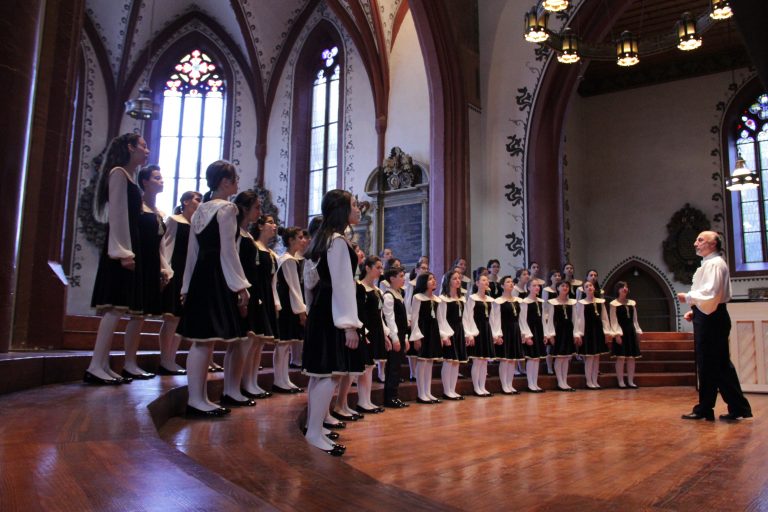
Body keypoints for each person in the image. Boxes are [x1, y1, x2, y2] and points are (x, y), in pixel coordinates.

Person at [178, 160, 252, 417]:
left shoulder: (200, 210)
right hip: (216, 276)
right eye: (234, 178)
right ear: (224, 182)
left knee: (202, 341)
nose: (237, 183)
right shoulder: (228, 209)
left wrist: (186, 285)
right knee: (203, 342)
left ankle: (198, 398)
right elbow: (228, 251)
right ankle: (196, 400)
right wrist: (240, 286)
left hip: (200, 274)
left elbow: (193, 252)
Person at [302, 189, 363, 456]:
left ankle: (315, 429)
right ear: (341, 210)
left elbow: (312, 282)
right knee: (328, 373)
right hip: (332, 312)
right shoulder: (337, 242)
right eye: (353, 205)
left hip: (322, 309)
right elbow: (342, 285)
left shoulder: (323, 238)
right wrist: (350, 324)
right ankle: (314, 432)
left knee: (320, 375)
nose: (358, 209)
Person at [86, 133, 150, 385]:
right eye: (143, 146)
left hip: (125, 249)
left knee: (119, 309)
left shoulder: (129, 177)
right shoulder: (118, 174)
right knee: (113, 310)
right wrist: (123, 252)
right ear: (130, 147)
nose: (147, 151)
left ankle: (102, 364)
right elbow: (118, 217)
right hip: (118, 251)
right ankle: (95, 365)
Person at [678, 231, 753, 422]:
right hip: (710, 316)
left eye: (700, 240)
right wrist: (695, 311)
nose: (695, 243)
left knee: (713, 365)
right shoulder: (710, 263)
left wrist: (688, 298)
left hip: (712, 319)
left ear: (713, 244)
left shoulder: (715, 264)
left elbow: (712, 294)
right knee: (716, 365)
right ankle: (732, 407)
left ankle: (711, 408)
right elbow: (712, 296)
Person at [158, 190, 202, 375]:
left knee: (180, 318)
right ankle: (165, 359)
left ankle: (171, 358)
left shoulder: (197, 225)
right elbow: (165, 246)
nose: (200, 202)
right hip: (175, 270)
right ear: (185, 201)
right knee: (171, 317)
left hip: (188, 273)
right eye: (196, 199)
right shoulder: (175, 220)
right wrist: (165, 269)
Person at [233, 191, 272, 401]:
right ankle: (234, 387)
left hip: (253, 291)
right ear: (245, 208)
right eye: (256, 207)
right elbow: (236, 263)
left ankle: (249, 381)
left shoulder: (246, 235)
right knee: (242, 343)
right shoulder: (237, 233)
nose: (259, 211)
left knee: (254, 341)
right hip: (242, 290)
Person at [274, 226, 306, 393]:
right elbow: (294, 288)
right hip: (287, 305)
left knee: (285, 345)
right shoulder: (288, 260)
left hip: (289, 304)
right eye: (300, 237)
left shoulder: (288, 258)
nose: (303, 240)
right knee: (283, 344)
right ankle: (279, 380)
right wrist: (301, 311)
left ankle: (284, 378)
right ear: (291, 240)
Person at [409, 272, 446, 404]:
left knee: (429, 362)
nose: (433, 281)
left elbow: (440, 319)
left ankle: (428, 392)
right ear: (423, 282)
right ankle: (421, 393)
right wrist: (416, 337)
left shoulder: (437, 299)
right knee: (422, 361)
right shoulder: (418, 297)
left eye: (434, 279)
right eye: (430, 279)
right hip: (422, 331)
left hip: (433, 331)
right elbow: (414, 318)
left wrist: (442, 336)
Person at [464, 272, 500, 397]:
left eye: (487, 280)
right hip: (476, 329)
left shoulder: (490, 300)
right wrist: (469, 333)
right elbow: (468, 316)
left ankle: (483, 386)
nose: (486, 282)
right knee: (477, 361)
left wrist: (495, 334)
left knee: (484, 361)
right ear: (477, 283)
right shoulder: (472, 298)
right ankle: (476, 387)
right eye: (483, 280)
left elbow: (493, 318)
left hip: (486, 329)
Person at [381, 265, 410, 408]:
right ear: (392, 279)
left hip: (401, 335)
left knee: (397, 367)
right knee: (392, 367)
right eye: (401, 276)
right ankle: (390, 397)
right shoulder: (388, 295)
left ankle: (394, 395)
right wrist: (395, 338)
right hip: (394, 336)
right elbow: (390, 319)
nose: (403, 279)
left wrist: (404, 338)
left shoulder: (399, 294)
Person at [491, 275, 525, 394]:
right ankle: (504, 385)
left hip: (515, 330)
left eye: (512, 282)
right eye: (508, 282)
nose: (511, 284)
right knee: (505, 359)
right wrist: (497, 334)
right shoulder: (498, 301)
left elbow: (521, 319)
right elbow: (495, 319)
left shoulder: (517, 301)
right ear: (502, 286)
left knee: (512, 359)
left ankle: (510, 384)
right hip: (504, 330)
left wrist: (523, 333)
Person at [574, 280, 612, 389]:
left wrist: (606, 332)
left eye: (590, 285)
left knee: (597, 357)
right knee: (590, 357)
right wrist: (580, 334)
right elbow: (580, 319)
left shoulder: (600, 302)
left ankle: (595, 380)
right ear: (584, 290)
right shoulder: (581, 303)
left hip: (598, 331)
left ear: (594, 288)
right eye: (586, 286)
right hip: (587, 332)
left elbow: (604, 318)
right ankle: (589, 381)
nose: (589, 287)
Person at [437, 270, 468, 400]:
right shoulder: (443, 299)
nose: (458, 281)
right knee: (449, 361)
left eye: (459, 279)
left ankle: (452, 389)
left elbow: (465, 317)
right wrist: (444, 335)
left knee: (456, 362)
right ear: (448, 281)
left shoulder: (461, 298)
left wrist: (467, 333)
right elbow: (441, 318)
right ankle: (446, 390)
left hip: (459, 330)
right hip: (449, 330)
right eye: (455, 278)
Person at [545, 280, 579, 391]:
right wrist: (551, 334)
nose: (565, 287)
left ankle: (565, 381)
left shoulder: (572, 302)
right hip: (558, 331)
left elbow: (574, 319)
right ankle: (560, 381)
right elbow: (550, 320)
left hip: (569, 331)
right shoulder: (552, 302)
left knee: (566, 358)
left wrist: (576, 334)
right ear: (558, 288)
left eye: (567, 286)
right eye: (562, 286)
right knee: (559, 358)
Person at [609, 281, 643, 389]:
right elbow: (613, 320)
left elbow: (635, 319)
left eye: (626, 287)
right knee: (621, 357)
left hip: (630, 331)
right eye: (622, 287)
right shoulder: (614, 304)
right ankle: (620, 381)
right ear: (617, 290)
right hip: (621, 331)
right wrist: (617, 334)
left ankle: (630, 381)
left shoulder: (632, 303)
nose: (624, 289)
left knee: (631, 358)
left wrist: (637, 331)